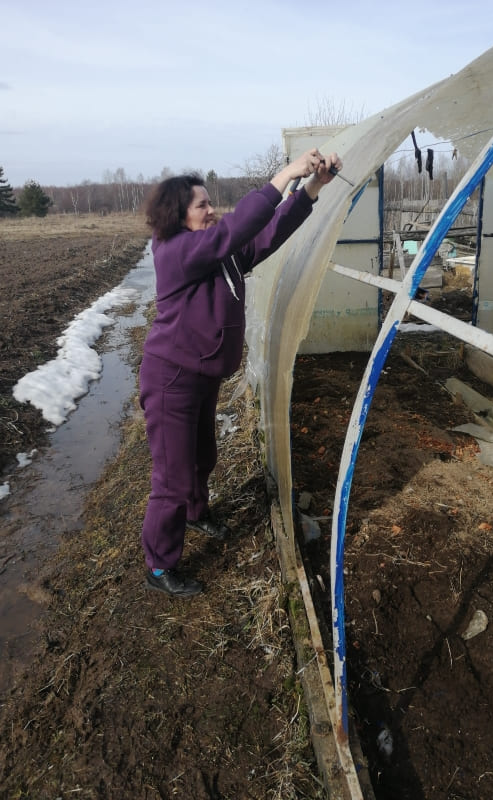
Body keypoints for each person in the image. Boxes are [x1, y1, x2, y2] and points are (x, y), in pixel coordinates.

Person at [140, 148, 343, 596]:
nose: (212, 211)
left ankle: (196, 513)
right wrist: (284, 174)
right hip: (172, 378)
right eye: (202, 205)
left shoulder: (216, 252)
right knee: (172, 476)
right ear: (178, 214)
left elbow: (267, 233)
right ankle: (159, 564)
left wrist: (311, 188)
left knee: (202, 456)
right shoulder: (175, 252)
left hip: (201, 374)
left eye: (212, 203)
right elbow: (235, 228)